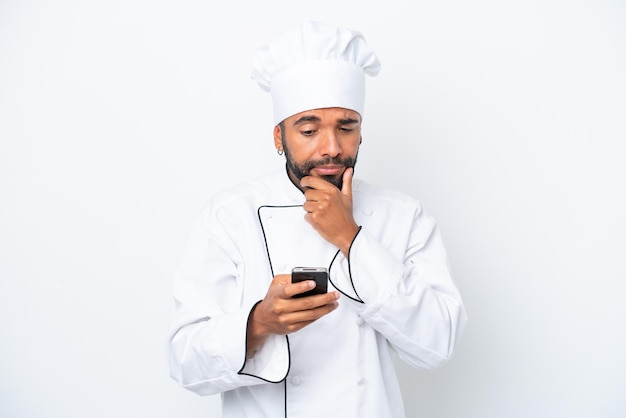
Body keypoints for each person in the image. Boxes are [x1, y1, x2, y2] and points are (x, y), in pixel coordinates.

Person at [167, 20, 467, 418]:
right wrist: (258, 323)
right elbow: (185, 363)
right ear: (279, 137)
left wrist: (351, 239)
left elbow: (437, 343)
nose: (331, 148)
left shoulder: (403, 215)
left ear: (361, 132)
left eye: (346, 127)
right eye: (309, 130)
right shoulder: (229, 216)